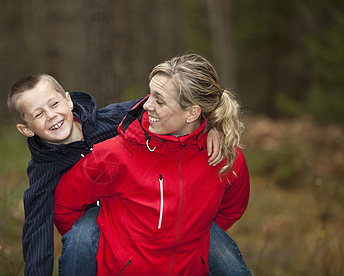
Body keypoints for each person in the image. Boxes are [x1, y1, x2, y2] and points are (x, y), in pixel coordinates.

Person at [54, 53, 251, 275]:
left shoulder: (224, 157)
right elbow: (65, 205)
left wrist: (196, 245)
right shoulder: (113, 155)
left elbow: (232, 208)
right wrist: (110, 252)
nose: (146, 105)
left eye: (160, 100)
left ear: (192, 113)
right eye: (150, 94)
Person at [7, 74, 223, 276]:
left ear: (68, 101)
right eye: (38, 114)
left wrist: (212, 125)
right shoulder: (43, 170)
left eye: (53, 104)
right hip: (93, 216)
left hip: (140, 202)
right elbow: (37, 234)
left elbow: (171, 104)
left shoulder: (110, 120)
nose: (51, 115)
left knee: (209, 239)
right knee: (80, 238)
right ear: (26, 129)